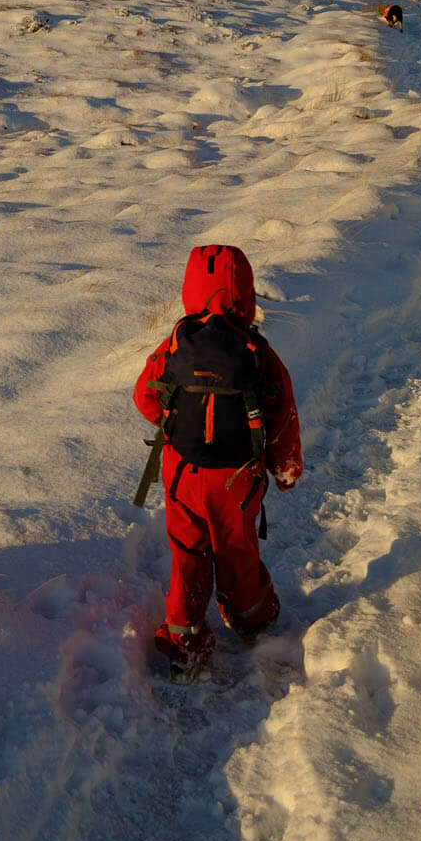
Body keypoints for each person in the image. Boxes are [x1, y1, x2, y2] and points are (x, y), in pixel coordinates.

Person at [133, 242, 302, 680]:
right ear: (246, 294)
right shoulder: (257, 352)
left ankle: (183, 641)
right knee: (236, 546)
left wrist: (172, 425)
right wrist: (283, 469)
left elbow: (145, 396)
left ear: (191, 290)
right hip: (236, 477)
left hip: (182, 472)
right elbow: (282, 414)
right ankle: (250, 616)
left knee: (187, 552)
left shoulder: (175, 342)